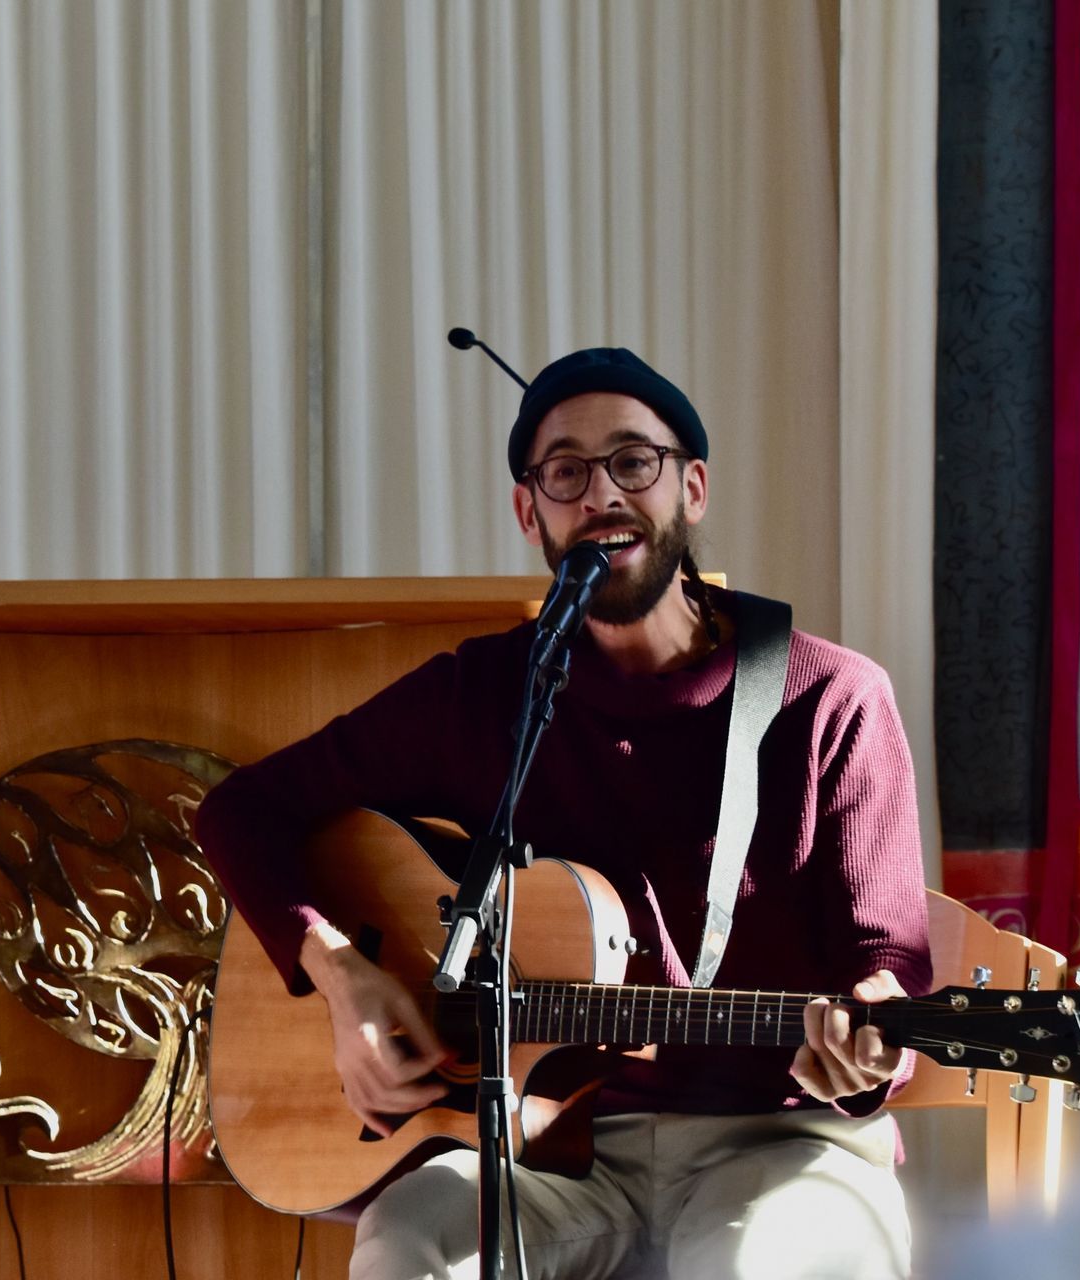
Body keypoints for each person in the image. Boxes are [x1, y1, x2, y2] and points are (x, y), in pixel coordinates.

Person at [194, 348, 932, 1280]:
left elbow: (890, 968)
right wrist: (344, 979)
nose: (602, 494)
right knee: (407, 1243)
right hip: (548, 1153)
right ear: (529, 510)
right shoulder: (481, 695)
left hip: (784, 1148)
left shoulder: (831, 699)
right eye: (567, 472)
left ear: (692, 488)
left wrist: (872, 1042)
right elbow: (241, 811)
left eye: (635, 461)